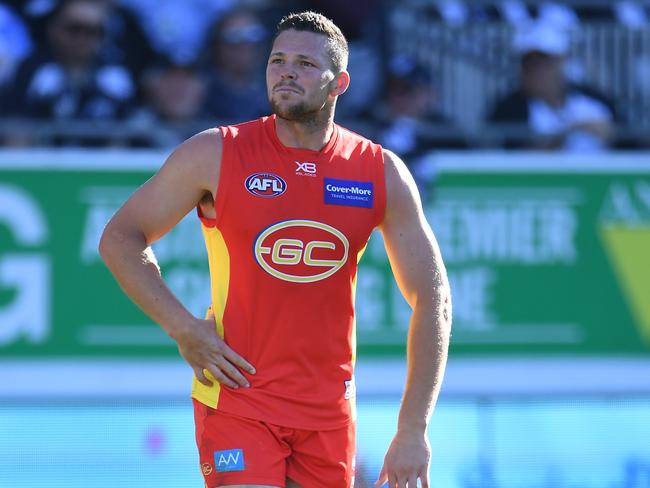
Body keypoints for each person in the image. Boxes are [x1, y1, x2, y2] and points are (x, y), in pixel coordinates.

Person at [99, 11, 451, 488]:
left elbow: (435, 299)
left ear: (339, 83)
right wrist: (182, 328)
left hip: (329, 413)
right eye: (277, 59)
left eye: (305, 63)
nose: (285, 70)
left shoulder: (379, 171)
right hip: (238, 399)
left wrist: (413, 430)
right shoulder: (216, 151)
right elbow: (121, 237)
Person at [487, 21, 616, 151]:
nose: (535, 70)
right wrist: (569, 133)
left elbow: (628, 141)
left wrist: (612, 133)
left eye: (544, 62)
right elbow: (509, 159)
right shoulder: (507, 110)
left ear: (561, 62)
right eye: (528, 64)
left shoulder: (595, 100)